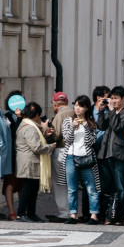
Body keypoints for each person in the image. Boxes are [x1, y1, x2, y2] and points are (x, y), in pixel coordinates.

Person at [97, 86, 124, 225]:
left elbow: (117, 127)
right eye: (111, 98)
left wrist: (111, 111)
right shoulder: (110, 112)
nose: (113, 101)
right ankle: (108, 215)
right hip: (105, 152)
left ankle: (119, 216)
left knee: (120, 187)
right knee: (107, 187)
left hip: (119, 154)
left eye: (116, 98)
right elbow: (101, 126)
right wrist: (101, 111)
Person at [62, 96, 101, 224]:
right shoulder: (68, 121)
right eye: (76, 105)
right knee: (72, 188)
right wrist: (73, 127)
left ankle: (94, 215)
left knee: (91, 187)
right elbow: (67, 139)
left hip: (86, 157)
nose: (77, 108)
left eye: (81, 106)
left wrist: (85, 127)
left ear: (86, 108)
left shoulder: (90, 122)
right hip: (70, 156)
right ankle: (73, 214)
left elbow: (91, 142)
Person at [15, 102, 55, 222]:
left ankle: (31, 214)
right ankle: (21, 214)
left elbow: (34, 140)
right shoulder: (30, 128)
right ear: (37, 115)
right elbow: (36, 147)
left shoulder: (26, 125)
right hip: (29, 163)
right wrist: (51, 147)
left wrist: (44, 133)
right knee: (28, 189)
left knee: (32, 189)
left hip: (30, 162)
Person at [47, 92, 74, 221]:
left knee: (60, 182)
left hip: (61, 150)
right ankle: (72, 210)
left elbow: (56, 135)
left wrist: (46, 129)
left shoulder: (60, 115)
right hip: (73, 150)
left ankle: (64, 212)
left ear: (55, 103)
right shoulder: (73, 111)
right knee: (70, 182)